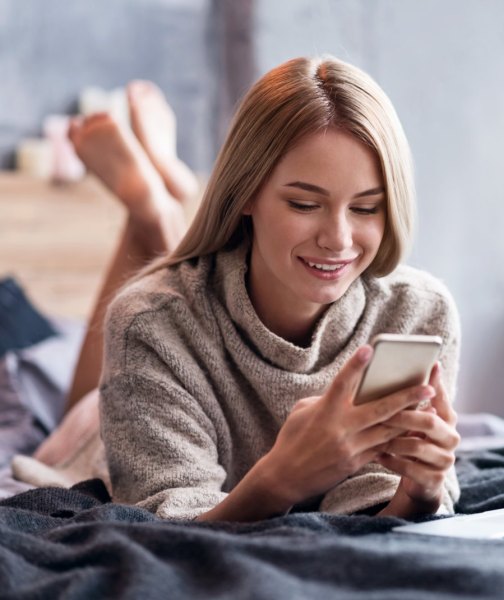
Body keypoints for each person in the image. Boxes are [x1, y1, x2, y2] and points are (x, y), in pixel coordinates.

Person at [16, 57, 461, 522]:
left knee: (176, 298)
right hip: (106, 430)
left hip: (188, 322)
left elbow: (382, 507)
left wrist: (423, 491)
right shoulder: (149, 326)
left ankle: (158, 194)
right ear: (245, 191)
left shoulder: (419, 312)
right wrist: (281, 479)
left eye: (367, 208)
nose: (339, 239)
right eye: (304, 203)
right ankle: (149, 208)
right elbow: (167, 523)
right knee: (121, 358)